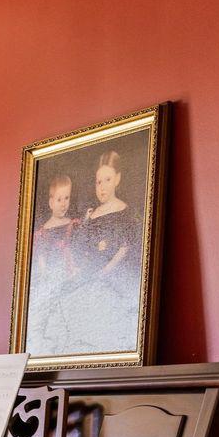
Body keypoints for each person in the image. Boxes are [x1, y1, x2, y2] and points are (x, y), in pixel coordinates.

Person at [69, 149, 142, 352]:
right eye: (98, 182)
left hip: (111, 278)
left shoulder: (125, 212)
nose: (102, 187)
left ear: (117, 179)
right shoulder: (91, 214)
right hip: (87, 275)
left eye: (107, 180)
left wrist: (104, 272)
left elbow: (125, 247)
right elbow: (79, 245)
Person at [26, 174, 82, 355]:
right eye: (59, 199)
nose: (63, 203)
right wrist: (46, 275)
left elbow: (78, 250)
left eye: (66, 198)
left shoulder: (73, 224)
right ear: (51, 202)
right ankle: (49, 343)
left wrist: (75, 269)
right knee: (49, 311)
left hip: (70, 275)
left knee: (68, 311)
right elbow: (41, 257)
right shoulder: (43, 232)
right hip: (52, 277)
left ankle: (68, 343)